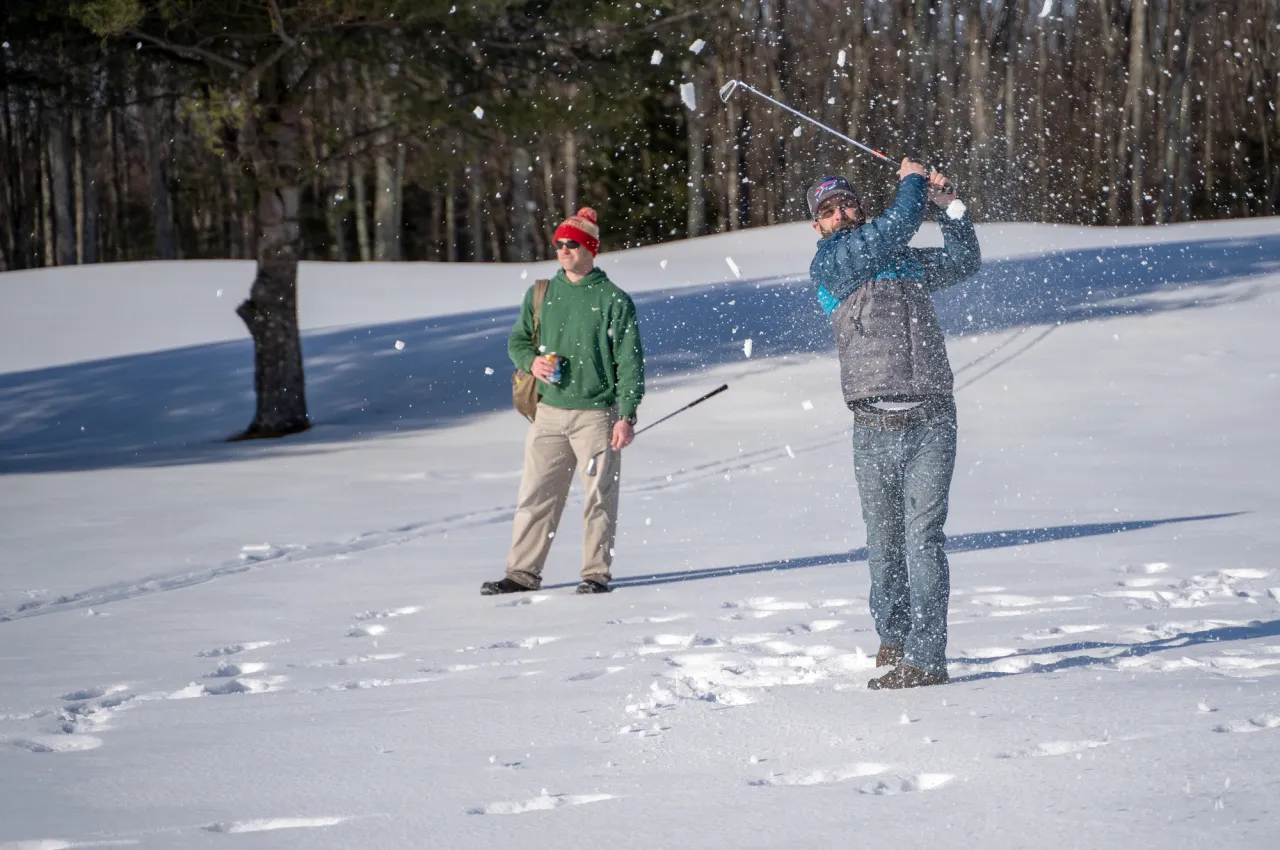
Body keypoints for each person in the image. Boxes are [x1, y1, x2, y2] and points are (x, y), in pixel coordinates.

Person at [807, 161, 981, 689]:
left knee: (923, 540)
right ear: (817, 226)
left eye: (847, 203)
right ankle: (895, 636)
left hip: (932, 418)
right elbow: (894, 227)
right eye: (828, 211)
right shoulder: (833, 265)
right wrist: (910, 185)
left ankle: (926, 660)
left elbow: (964, 261)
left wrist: (949, 206)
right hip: (873, 427)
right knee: (884, 543)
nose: (841, 214)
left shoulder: (903, 260)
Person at [482, 207, 645, 596]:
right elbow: (517, 340)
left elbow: (630, 362)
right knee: (536, 497)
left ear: (590, 248)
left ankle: (595, 574)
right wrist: (531, 362)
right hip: (549, 414)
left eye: (572, 244)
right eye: (558, 244)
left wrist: (626, 415)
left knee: (599, 498)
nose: (563, 250)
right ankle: (521, 574)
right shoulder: (541, 293)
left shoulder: (613, 300)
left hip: (596, 416)